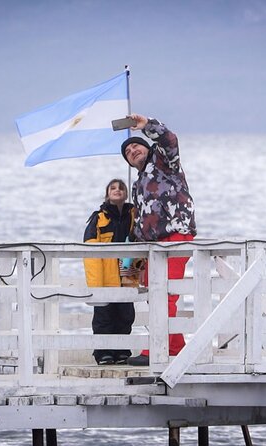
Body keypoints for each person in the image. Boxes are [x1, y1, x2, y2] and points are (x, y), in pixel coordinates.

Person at [121, 113, 197, 366]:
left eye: (136, 146)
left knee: (166, 293)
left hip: (176, 234)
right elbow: (142, 218)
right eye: (128, 151)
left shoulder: (165, 162)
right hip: (152, 245)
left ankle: (159, 349)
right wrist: (134, 255)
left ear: (147, 147)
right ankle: (174, 346)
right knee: (154, 294)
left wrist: (146, 126)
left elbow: (169, 139)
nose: (133, 150)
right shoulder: (139, 183)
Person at [83, 179, 138, 365]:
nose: (117, 190)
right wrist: (95, 283)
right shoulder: (99, 218)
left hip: (126, 273)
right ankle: (103, 352)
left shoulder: (134, 216)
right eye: (113, 188)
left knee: (125, 314)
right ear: (107, 194)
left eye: (121, 187)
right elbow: (89, 252)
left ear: (126, 193)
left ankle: (122, 350)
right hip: (105, 276)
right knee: (103, 315)